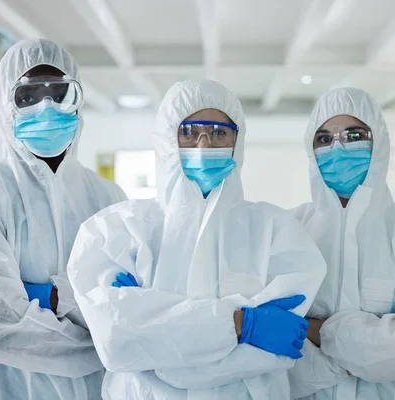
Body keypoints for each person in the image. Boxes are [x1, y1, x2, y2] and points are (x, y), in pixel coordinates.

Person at [67, 79, 327, 400]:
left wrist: (150, 334)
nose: (204, 145)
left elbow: (273, 355)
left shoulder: (277, 232)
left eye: (219, 133)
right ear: (166, 139)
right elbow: (115, 342)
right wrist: (241, 324)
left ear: (237, 141)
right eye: (189, 132)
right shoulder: (115, 231)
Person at [0, 39, 126, 400]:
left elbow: (128, 302)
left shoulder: (109, 198)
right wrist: (107, 344)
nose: (46, 106)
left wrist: (49, 298)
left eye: (59, 93)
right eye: (27, 95)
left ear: (78, 101)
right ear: (5, 103)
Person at [288, 87, 395, 399]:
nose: (337, 148)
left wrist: (320, 332)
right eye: (324, 139)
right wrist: (375, 352)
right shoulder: (289, 231)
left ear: (379, 142)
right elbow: (276, 359)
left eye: (354, 136)